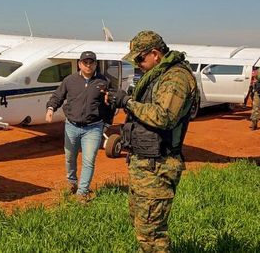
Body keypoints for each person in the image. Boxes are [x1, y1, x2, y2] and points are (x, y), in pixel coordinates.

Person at [109, 30, 197, 252]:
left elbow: (163, 116)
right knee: (142, 227)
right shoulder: (157, 76)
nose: (138, 65)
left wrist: (127, 102)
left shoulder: (176, 77)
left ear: (156, 54)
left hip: (158, 165)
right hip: (144, 163)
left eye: (140, 58)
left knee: (152, 235)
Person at [45, 51, 112, 202]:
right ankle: (72, 182)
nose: (88, 65)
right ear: (79, 64)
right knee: (70, 158)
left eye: (92, 63)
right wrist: (50, 108)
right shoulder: (69, 80)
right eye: (85, 62)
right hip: (71, 126)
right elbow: (57, 96)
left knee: (89, 160)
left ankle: (82, 192)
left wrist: (107, 123)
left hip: (93, 127)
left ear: (96, 64)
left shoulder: (104, 82)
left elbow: (111, 105)